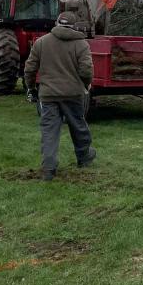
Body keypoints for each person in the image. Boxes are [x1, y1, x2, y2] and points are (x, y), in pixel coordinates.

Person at [24, 11, 96, 181]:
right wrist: (86, 84)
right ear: (74, 26)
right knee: (78, 126)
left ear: (57, 23)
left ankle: (48, 168)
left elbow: (29, 69)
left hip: (48, 96)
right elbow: (86, 70)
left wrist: (31, 88)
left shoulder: (41, 43)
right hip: (73, 94)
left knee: (49, 131)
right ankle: (84, 157)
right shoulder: (81, 44)